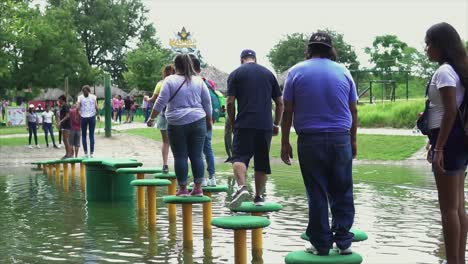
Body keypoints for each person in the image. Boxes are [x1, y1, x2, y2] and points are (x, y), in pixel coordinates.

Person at [281, 31, 358, 256]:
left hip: (310, 140)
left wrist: (285, 142)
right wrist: (353, 140)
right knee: (343, 189)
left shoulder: (296, 71)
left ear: (309, 49)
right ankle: (343, 241)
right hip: (340, 138)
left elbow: (288, 112)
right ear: (330, 50)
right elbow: (353, 110)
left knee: (316, 192)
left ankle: (321, 243)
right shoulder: (344, 71)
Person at [425, 22, 468, 264]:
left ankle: (454, 261)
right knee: (458, 206)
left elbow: (450, 111)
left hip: (449, 142)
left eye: (429, 43)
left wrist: (439, 146)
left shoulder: (444, 72)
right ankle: (458, 260)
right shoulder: (458, 69)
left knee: (449, 209)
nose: (426, 49)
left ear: (442, 45)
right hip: (457, 141)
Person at [147, 54, 212, 197]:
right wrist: (209, 119)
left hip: (176, 123)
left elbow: (160, 102)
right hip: (198, 120)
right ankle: (198, 188)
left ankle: (182, 188)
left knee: (180, 156)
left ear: (175, 66)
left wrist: (151, 118)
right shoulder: (199, 81)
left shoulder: (169, 80)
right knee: (197, 155)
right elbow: (207, 103)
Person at [227, 49, 283, 208]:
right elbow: (280, 103)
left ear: (241, 59)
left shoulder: (236, 74)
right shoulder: (268, 74)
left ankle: (242, 187)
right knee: (261, 161)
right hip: (265, 125)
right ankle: (258, 197)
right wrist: (275, 124)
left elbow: (230, 102)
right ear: (255, 59)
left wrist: (233, 122)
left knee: (239, 157)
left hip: (244, 123)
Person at [190, 54, 217, 186]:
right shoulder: (207, 82)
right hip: (208, 120)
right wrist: (210, 120)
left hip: (199, 121)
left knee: (198, 151)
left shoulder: (193, 82)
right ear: (199, 69)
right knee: (208, 149)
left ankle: (202, 179)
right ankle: (212, 177)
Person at [149, 65, 176, 174]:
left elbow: (154, 99)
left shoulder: (160, 84)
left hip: (162, 114)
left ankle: (165, 165)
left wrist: (147, 99)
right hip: (174, 114)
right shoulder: (177, 82)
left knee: (165, 142)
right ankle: (178, 164)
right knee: (176, 141)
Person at [77, 85, 99, 158]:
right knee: (83, 135)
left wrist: (98, 114)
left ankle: (92, 152)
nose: (84, 93)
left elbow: (96, 106)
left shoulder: (93, 97)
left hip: (92, 116)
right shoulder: (80, 97)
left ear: (89, 91)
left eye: (85, 92)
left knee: (91, 135)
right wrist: (77, 112)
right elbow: (78, 106)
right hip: (83, 117)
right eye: (83, 92)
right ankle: (86, 152)